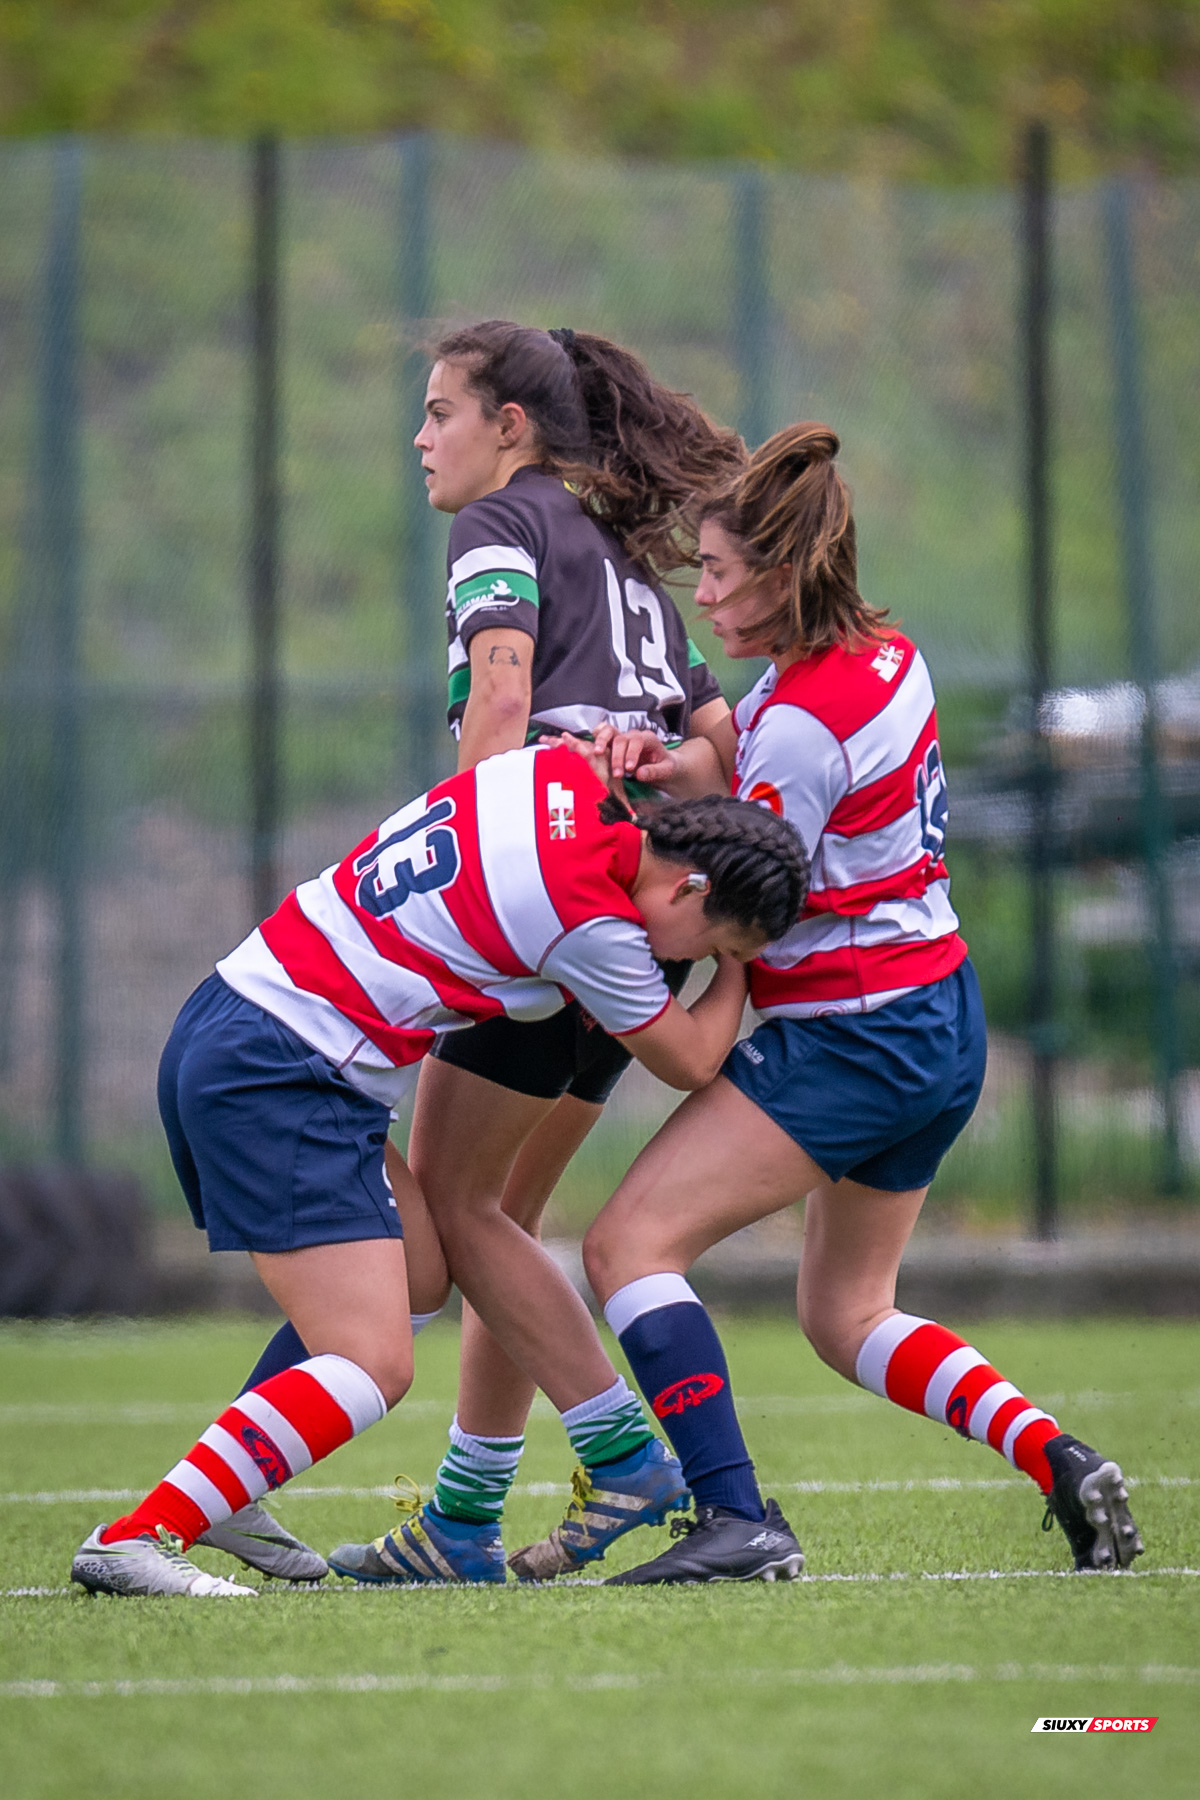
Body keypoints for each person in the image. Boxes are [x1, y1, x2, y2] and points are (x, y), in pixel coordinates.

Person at [516, 422, 1145, 1584]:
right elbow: (773, 794)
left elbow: (744, 889)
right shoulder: (883, 660)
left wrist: (613, 895)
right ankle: (1059, 1458)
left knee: (627, 1243)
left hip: (857, 1037)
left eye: (719, 571)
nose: (703, 594)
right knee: (847, 1312)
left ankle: (735, 1517)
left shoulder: (803, 721)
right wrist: (681, 771)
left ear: (785, 573)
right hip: (936, 1016)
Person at [222, 320, 748, 1585]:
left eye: (439, 411)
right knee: (496, 1220)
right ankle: (462, 1518)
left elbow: (503, 703)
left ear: (510, 426)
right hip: (641, 921)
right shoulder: (622, 554)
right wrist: (652, 767)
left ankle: (606, 1461)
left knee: (452, 1216)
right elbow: (720, 748)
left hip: (550, 907)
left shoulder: (503, 525)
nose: (420, 439)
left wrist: (479, 865)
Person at [69, 741, 809, 1597]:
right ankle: (138, 1535)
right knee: (373, 1362)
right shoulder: (589, 923)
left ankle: (230, 1495)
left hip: (242, 1017)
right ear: (690, 888)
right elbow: (690, 1060)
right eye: (709, 939)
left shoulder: (557, 771)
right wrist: (740, 967)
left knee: (419, 1275)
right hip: (282, 1070)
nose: (688, 957)